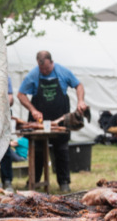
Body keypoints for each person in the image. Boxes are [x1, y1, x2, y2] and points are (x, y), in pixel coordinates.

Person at [17, 51, 88, 193]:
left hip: (60, 117)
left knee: (61, 149)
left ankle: (64, 182)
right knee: (37, 151)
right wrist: (32, 110)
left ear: (52, 62)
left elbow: (78, 86)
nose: (44, 71)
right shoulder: (33, 75)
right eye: (41, 69)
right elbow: (20, 94)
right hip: (40, 119)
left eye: (47, 69)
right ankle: (34, 181)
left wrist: (80, 100)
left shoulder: (63, 71)